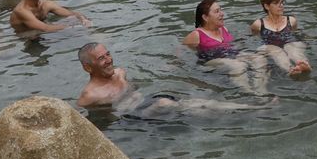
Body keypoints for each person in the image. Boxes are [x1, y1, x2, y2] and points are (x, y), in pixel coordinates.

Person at [76, 42, 251, 114]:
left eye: (108, 54)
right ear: (87, 67)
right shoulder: (89, 96)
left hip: (145, 102)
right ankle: (241, 112)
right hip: (132, 119)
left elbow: (136, 88)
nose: (109, 60)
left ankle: (246, 108)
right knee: (168, 104)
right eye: (101, 58)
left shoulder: (120, 72)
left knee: (188, 101)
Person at [182, 0, 267, 95]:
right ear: (205, 17)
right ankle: (249, 92)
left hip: (230, 55)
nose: (222, 13)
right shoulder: (196, 35)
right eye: (217, 11)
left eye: (221, 10)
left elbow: (231, 46)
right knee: (238, 65)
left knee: (259, 58)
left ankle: (260, 89)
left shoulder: (224, 29)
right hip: (210, 61)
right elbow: (183, 51)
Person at [250, 0, 311, 79]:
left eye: (282, 2)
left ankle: (304, 64)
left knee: (291, 47)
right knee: (275, 50)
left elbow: (295, 33)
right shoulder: (258, 24)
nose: (281, 6)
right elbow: (255, 38)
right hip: (271, 46)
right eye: (276, 3)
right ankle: (290, 69)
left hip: (290, 42)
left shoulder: (291, 20)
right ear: (267, 6)